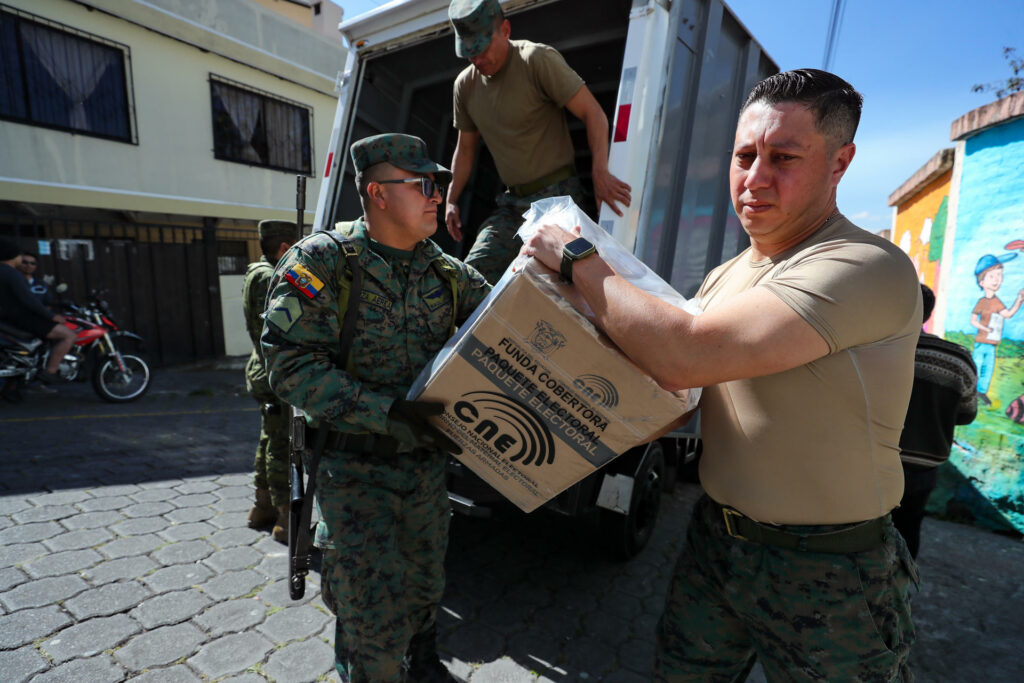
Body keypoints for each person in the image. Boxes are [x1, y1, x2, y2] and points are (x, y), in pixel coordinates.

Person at [522, 69, 922, 681]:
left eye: (783, 157)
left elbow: (687, 353)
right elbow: (679, 397)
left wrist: (578, 260)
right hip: (718, 545)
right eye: (744, 156)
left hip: (832, 570)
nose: (755, 178)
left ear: (840, 164)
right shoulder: (726, 276)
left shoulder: (865, 265)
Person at [261, 134, 490, 682]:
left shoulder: (445, 271)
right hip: (354, 480)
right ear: (378, 194)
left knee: (424, 588)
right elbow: (289, 367)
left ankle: (424, 657)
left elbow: (511, 316)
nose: (438, 196)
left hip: (426, 475)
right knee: (371, 626)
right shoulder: (323, 261)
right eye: (423, 186)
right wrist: (385, 411)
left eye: (438, 185)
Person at [444, 0, 632, 285]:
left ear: (505, 29)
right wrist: (451, 199)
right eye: (469, 53)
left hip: (558, 198)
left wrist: (600, 172)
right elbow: (465, 150)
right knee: (470, 278)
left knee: (554, 285)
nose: (477, 59)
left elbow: (593, 114)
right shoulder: (465, 86)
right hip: (512, 205)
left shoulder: (536, 59)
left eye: (481, 48)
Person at [893, 283, 978, 559]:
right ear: (927, 314)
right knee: (909, 530)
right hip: (925, 468)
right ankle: (900, 594)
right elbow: (966, 415)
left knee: (864, 534)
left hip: (875, 462)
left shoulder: (875, 353)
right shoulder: (957, 358)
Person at [244, 219, 299, 543]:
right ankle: (285, 520)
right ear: (284, 248)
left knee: (269, 437)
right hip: (274, 372)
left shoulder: (255, 271)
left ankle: (261, 507)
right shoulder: (271, 277)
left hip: (259, 368)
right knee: (282, 444)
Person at [0, 239, 75, 384]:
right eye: (20, 256)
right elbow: (29, 300)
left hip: (7, 318)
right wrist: (51, 316)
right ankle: (50, 372)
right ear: (13, 256)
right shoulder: (13, 274)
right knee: (68, 335)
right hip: (22, 317)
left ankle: (15, 385)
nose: (22, 260)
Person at [968, 253, 1023, 406]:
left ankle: (982, 392)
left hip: (992, 344)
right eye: (992, 276)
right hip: (981, 342)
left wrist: (1019, 300)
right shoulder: (981, 302)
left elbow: (1008, 314)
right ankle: (971, 391)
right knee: (977, 367)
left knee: (988, 369)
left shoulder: (997, 302)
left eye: (999, 275)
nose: (997, 280)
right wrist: (983, 327)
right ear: (982, 282)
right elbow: (973, 320)